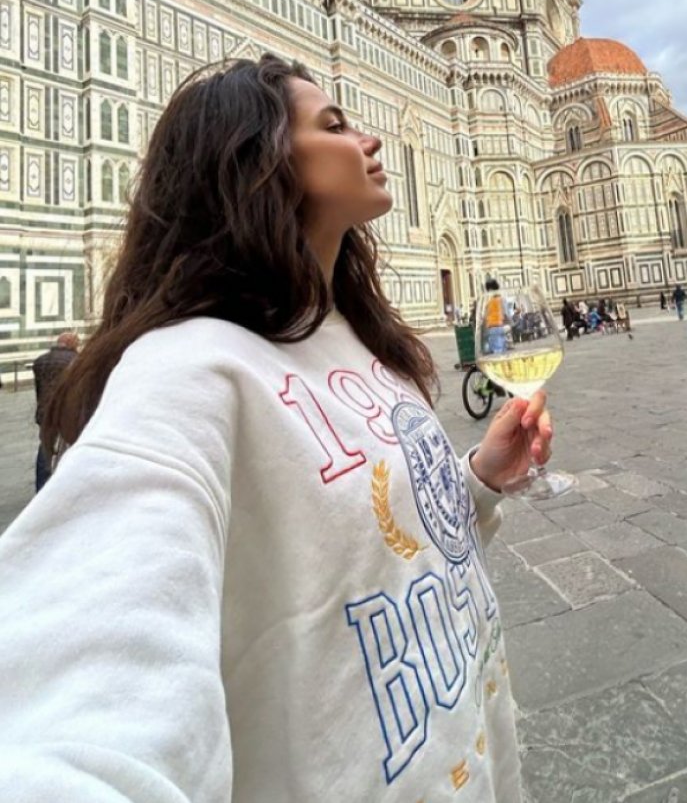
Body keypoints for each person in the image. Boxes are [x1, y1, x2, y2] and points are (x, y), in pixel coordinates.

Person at [0, 54, 553, 802]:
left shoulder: (365, 343)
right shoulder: (190, 369)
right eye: (334, 124)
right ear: (258, 161)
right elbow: (76, 696)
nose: (369, 140)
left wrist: (477, 481)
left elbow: (382, 540)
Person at [32, 331, 80, 493]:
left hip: (45, 412)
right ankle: (66, 486)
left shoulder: (40, 361)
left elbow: (39, 390)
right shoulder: (76, 361)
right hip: (66, 411)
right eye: (77, 342)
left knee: (46, 447)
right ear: (72, 343)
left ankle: (42, 487)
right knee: (70, 446)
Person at [483, 277, 509, 353]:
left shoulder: (489, 301)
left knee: (497, 351)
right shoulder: (501, 299)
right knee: (502, 350)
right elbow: (506, 313)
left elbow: (485, 316)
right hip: (501, 326)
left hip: (493, 327)